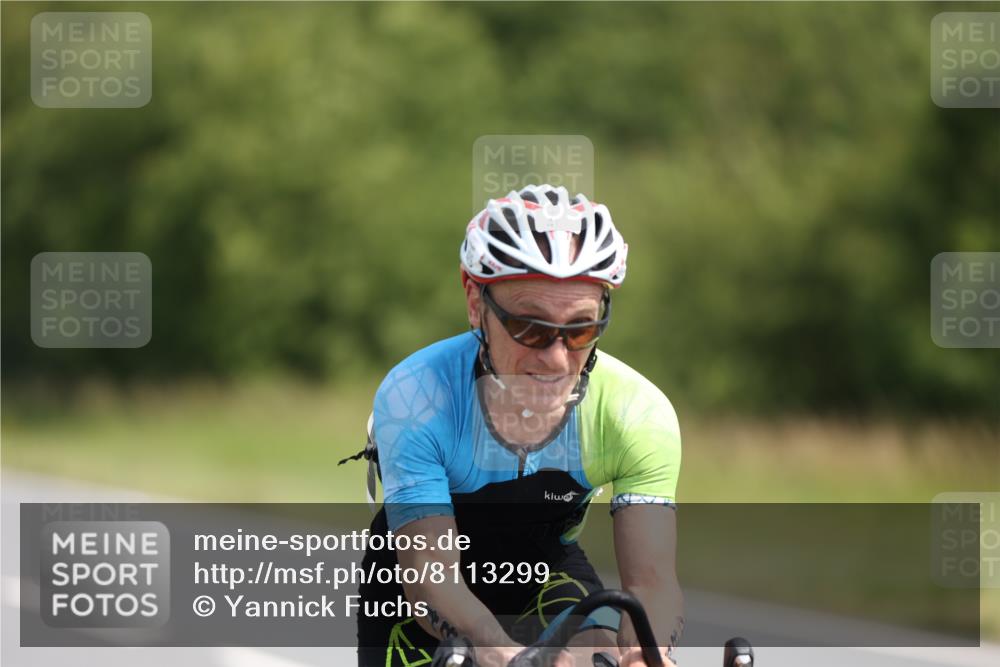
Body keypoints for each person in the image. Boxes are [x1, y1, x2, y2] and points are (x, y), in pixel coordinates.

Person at [350, 184, 683, 667]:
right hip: (418, 589)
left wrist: (643, 655)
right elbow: (430, 574)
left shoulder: (638, 413)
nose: (554, 359)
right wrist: (502, 652)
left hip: (545, 573)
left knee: (598, 654)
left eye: (581, 329)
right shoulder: (415, 396)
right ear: (474, 302)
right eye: (529, 327)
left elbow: (651, 583)